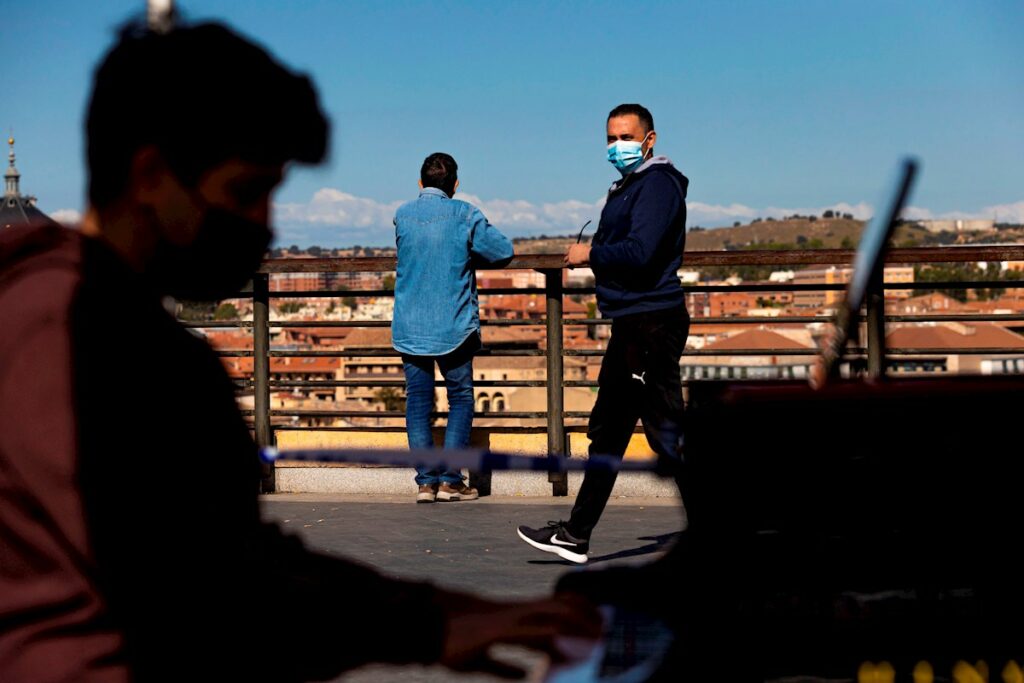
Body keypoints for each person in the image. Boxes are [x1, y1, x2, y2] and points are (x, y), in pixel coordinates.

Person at [0, 20, 597, 681]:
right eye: (245, 192)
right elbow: (223, 585)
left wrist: (436, 616)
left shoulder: (52, 306)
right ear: (149, 175)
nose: (264, 224)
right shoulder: (94, 346)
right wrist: (426, 621)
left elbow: (225, 555)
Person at [517, 103, 690, 563]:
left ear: (650, 140)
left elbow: (640, 251)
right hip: (635, 323)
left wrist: (588, 253)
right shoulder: (634, 185)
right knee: (611, 431)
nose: (617, 147)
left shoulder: (657, 186)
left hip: (650, 324)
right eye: (611, 138)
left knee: (663, 435)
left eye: (626, 137)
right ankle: (576, 533)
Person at [392, 153, 513, 503]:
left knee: (417, 402)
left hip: (410, 325)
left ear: (420, 184)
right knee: (459, 398)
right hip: (453, 325)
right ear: (455, 185)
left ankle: (425, 483)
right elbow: (503, 251)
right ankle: (451, 481)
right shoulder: (465, 214)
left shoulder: (402, 214)